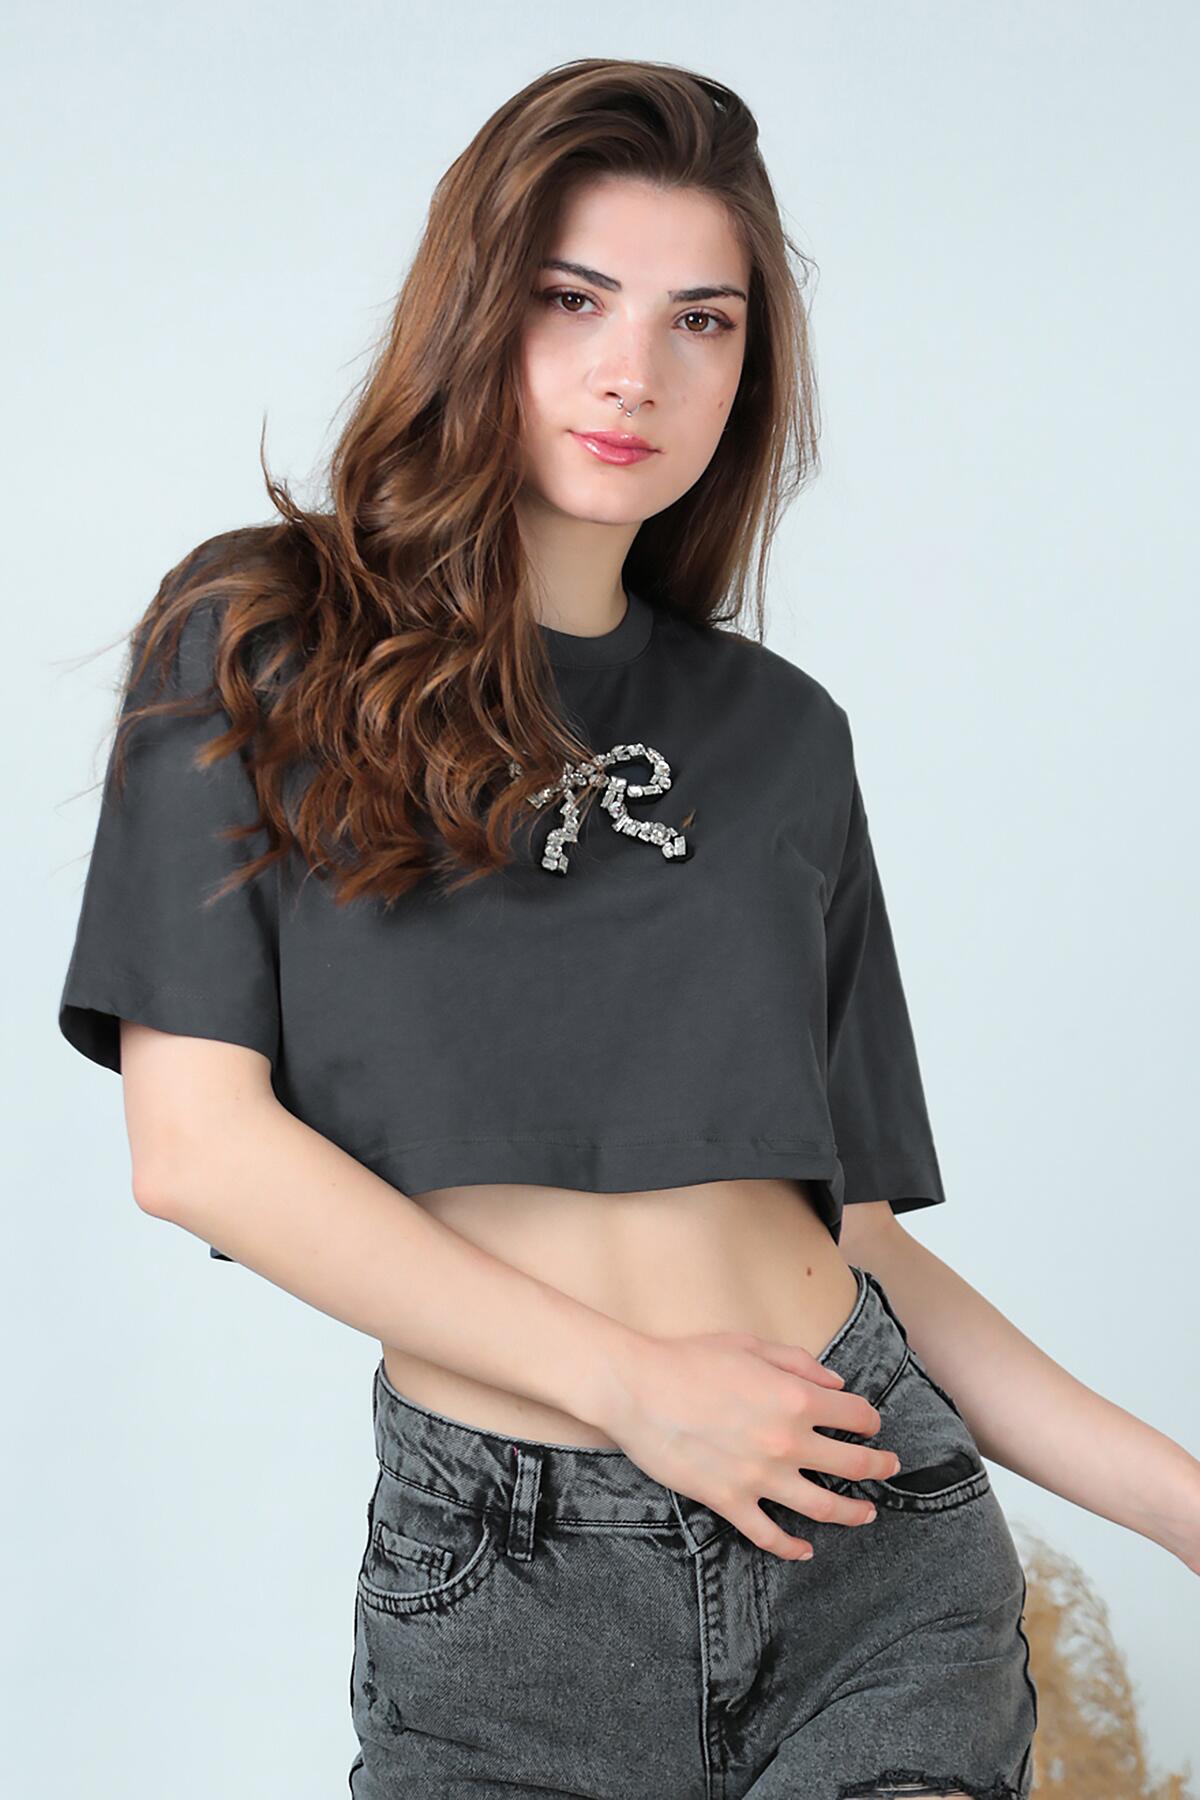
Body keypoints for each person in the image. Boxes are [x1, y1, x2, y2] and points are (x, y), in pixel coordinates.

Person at [57, 57, 1199, 1800]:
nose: (635, 372)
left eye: (702, 321)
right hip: (507, 1590)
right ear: (473, 311)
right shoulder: (258, 641)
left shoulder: (784, 737)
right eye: (572, 298)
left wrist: (1183, 1502)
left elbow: (853, 1241)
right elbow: (197, 1150)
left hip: (869, 1547)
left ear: (750, 369)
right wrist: (632, 1387)